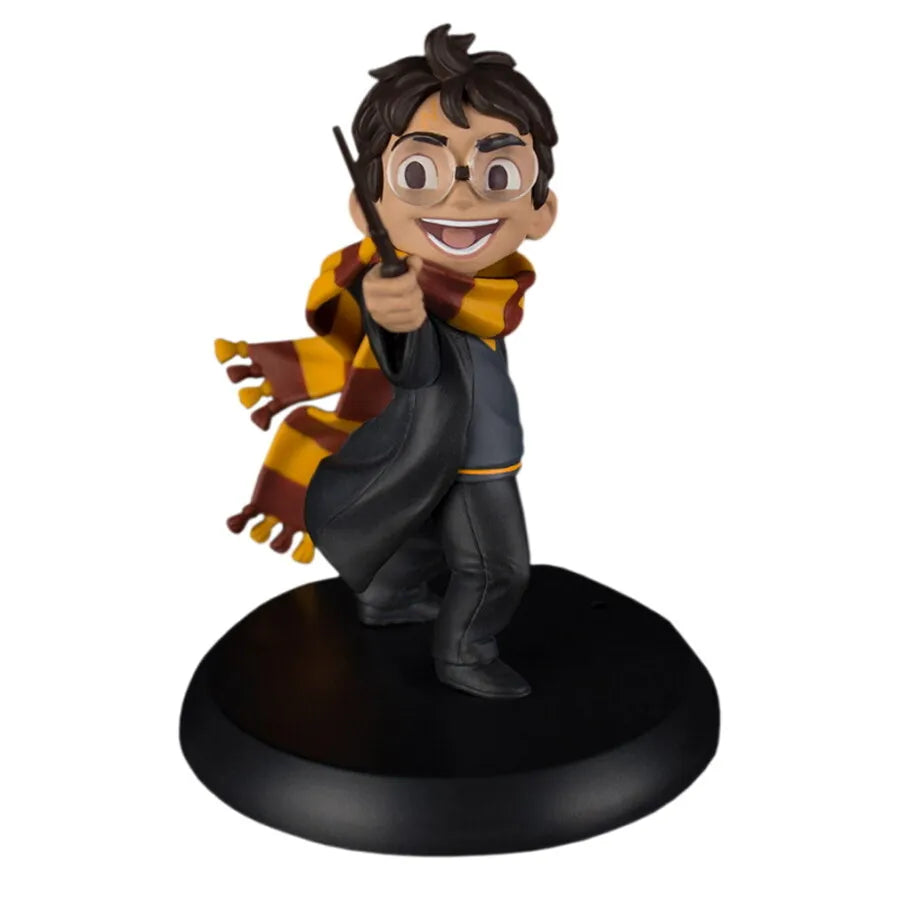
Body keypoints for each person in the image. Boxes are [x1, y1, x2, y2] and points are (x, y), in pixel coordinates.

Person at [218, 24, 558, 698]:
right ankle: (465, 655)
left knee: (422, 535)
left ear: (541, 211)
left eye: (497, 175)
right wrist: (391, 315)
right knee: (497, 567)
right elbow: (408, 361)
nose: (462, 198)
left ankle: (388, 597)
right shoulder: (398, 288)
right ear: (365, 205)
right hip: (473, 455)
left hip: (453, 450)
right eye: (420, 175)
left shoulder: (492, 291)